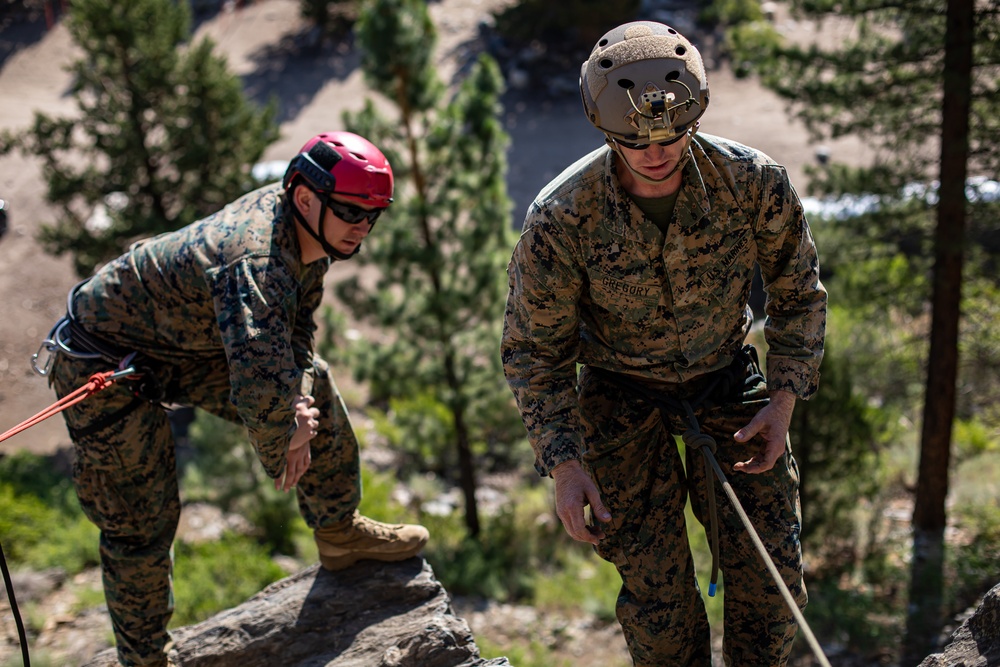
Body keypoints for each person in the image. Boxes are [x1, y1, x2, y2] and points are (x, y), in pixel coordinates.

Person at [501, 21, 827, 666]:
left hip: (726, 379)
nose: (655, 154)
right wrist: (566, 466)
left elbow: (799, 295)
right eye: (632, 141)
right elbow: (534, 355)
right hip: (619, 395)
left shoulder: (752, 182)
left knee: (773, 583)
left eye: (672, 136)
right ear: (602, 126)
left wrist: (783, 403)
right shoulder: (562, 217)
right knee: (660, 606)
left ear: (694, 115)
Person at [43, 131, 429, 667]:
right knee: (141, 521)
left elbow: (294, 333)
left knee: (315, 384)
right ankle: (146, 659)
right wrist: (284, 433)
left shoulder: (312, 236)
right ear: (306, 198)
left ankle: (339, 532)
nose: (362, 227)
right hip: (103, 361)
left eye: (373, 215)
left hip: (184, 346)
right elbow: (254, 378)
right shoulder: (258, 258)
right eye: (350, 211)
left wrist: (298, 400)